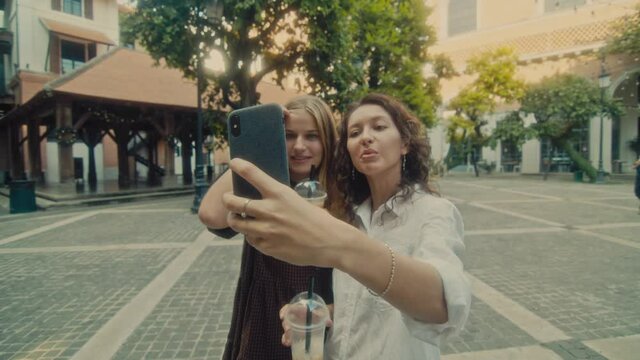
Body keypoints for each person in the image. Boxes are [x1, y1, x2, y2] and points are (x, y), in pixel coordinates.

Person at [222, 93, 471, 359]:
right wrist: (322, 312)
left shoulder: (433, 211)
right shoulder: (350, 214)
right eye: (355, 132)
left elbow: (444, 304)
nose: (366, 137)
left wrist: (339, 245)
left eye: (379, 127)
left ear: (405, 143)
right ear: (348, 150)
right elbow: (357, 307)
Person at [198, 95, 341, 359]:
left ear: (328, 141)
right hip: (264, 312)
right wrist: (256, 146)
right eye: (288, 135)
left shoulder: (342, 195)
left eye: (312, 136)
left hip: (320, 317)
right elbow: (210, 214)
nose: (299, 146)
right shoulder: (260, 191)